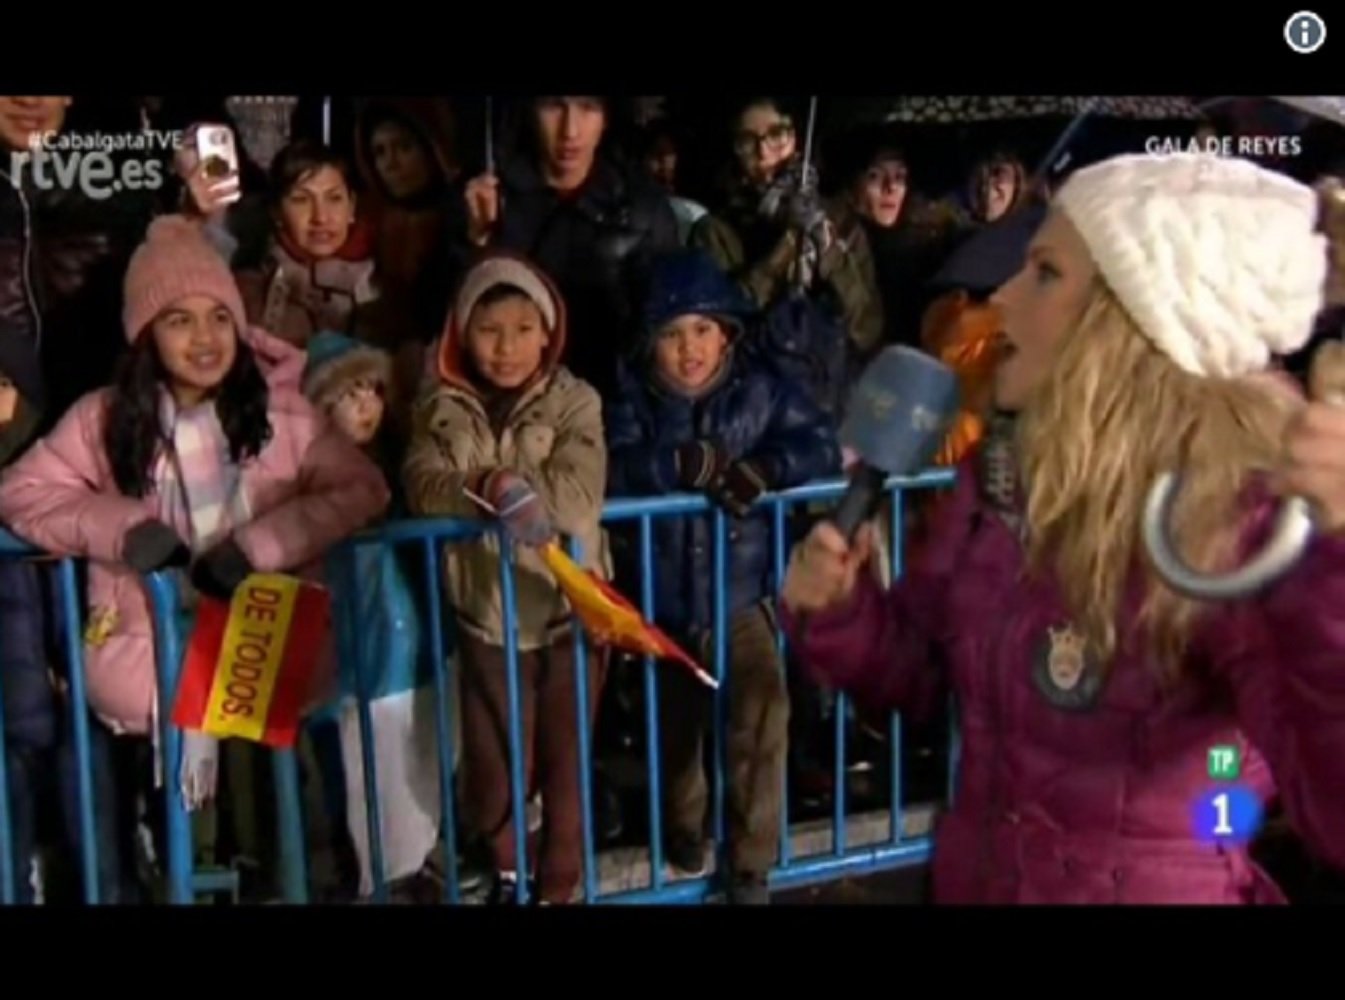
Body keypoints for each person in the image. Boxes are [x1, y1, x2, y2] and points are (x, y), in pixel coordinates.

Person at [781, 151, 1345, 903]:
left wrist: (1335, 577)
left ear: (1133, 321)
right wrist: (842, 614)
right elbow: (924, 675)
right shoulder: (1002, 482)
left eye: (1043, 273)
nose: (1002, 299)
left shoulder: (1246, 524)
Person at [0, 216, 389, 896]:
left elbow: (361, 486)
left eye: (218, 317)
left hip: (266, 651)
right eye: (178, 319)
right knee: (183, 832)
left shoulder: (286, 413)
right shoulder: (103, 417)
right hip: (156, 658)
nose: (204, 338)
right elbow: (21, 491)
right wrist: (122, 530)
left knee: (284, 817)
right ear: (145, 331)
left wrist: (260, 546)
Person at [606, 249, 841, 904]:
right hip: (662, 601)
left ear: (727, 335)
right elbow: (612, 469)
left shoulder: (761, 389)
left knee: (762, 711)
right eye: (673, 334)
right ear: (649, 341)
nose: (690, 350)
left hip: (741, 595)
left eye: (703, 330)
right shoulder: (630, 396)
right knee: (676, 731)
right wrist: (672, 465)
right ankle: (684, 829)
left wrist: (767, 468)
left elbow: (819, 443)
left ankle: (749, 863)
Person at [403, 252, 608, 904]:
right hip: (488, 615)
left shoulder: (576, 399)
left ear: (547, 333)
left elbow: (578, 496)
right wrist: (486, 487)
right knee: (495, 772)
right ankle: (510, 873)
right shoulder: (439, 406)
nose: (507, 347)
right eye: (490, 330)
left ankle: (557, 887)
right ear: (463, 333)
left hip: (568, 610)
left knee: (564, 765)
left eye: (523, 329)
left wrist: (519, 494)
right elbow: (422, 485)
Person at [455, 96, 679, 399]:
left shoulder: (642, 206)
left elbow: (668, 326)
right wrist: (475, 241)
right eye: (553, 106)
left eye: (587, 107)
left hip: (611, 404)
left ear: (607, 117)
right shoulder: (486, 197)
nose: (570, 130)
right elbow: (444, 320)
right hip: (508, 401)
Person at [691, 98, 883, 364]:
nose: (764, 151)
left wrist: (828, 251)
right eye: (748, 141)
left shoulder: (840, 219)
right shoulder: (715, 230)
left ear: (795, 139)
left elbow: (865, 327)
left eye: (776, 135)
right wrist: (783, 250)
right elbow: (722, 324)